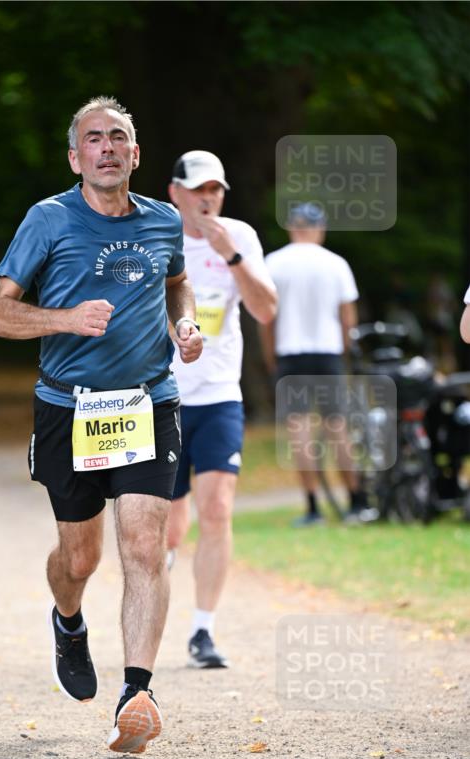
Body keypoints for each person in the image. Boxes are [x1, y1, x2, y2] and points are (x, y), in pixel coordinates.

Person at [0, 96, 202, 754]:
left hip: (146, 403)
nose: (106, 148)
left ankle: (137, 693)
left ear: (134, 155)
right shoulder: (47, 220)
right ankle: (68, 621)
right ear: (75, 157)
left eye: (118, 138)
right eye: (93, 140)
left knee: (144, 546)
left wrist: (184, 324)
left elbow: (176, 283)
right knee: (80, 558)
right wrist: (63, 318)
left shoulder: (164, 221)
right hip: (69, 408)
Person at [166, 151, 277, 668]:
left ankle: (203, 631)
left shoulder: (241, 236)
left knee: (217, 509)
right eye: (198, 189)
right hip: (160, 396)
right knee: (167, 525)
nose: (208, 199)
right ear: (175, 193)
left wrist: (231, 254)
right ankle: (150, 603)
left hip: (217, 396)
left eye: (216, 190)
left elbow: (266, 309)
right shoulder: (156, 235)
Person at [260, 203, 366, 526]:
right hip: (328, 353)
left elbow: (266, 318)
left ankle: (312, 508)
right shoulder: (336, 264)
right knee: (338, 427)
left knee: (299, 429)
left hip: (290, 353)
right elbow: (348, 317)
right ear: (319, 229)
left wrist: (270, 357)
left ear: (292, 227)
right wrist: (344, 352)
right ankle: (356, 503)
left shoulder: (273, 262)